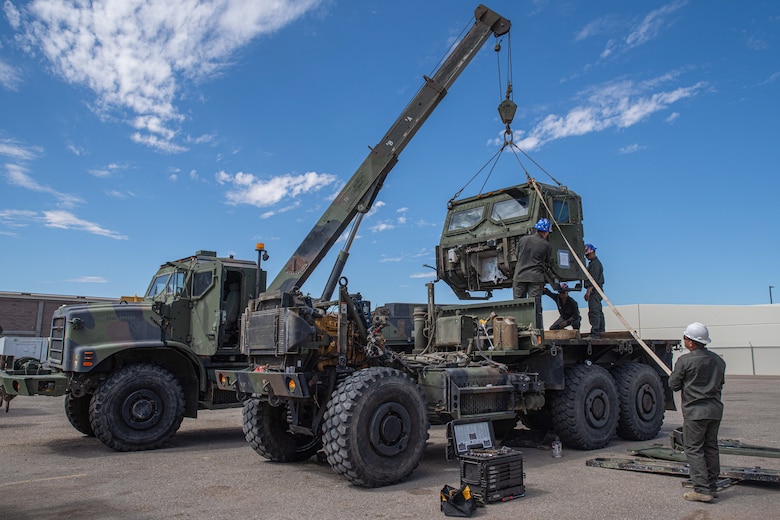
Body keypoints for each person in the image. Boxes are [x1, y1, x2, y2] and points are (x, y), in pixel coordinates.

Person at [668, 322, 727, 503]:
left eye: (685, 338)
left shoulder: (685, 361)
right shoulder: (718, 361)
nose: (684, 341)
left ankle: (701, 489)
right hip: (715, 411)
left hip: (695, 412)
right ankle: (712, 486)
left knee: (694, 449)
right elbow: (720, 384)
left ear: (692, 342)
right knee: (711, 447)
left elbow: (673, 385)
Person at [513, 218, 553, 299]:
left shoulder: (523, 240)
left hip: (520, 276)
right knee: (534, 304)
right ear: (546, 232)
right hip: (535, 278)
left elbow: (517, 255)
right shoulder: (547, 245)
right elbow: (548, 262)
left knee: (518, 304)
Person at [583, 243, 604, 338]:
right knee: (598, 311)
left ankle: (595, 333)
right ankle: (600, 331)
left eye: (588, 254)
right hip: (597, 291)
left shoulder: (595, 264)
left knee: (594, 311)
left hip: (595, 291)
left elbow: (593, 280)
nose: (587, 257)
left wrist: (588, 292)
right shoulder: (594, 263)